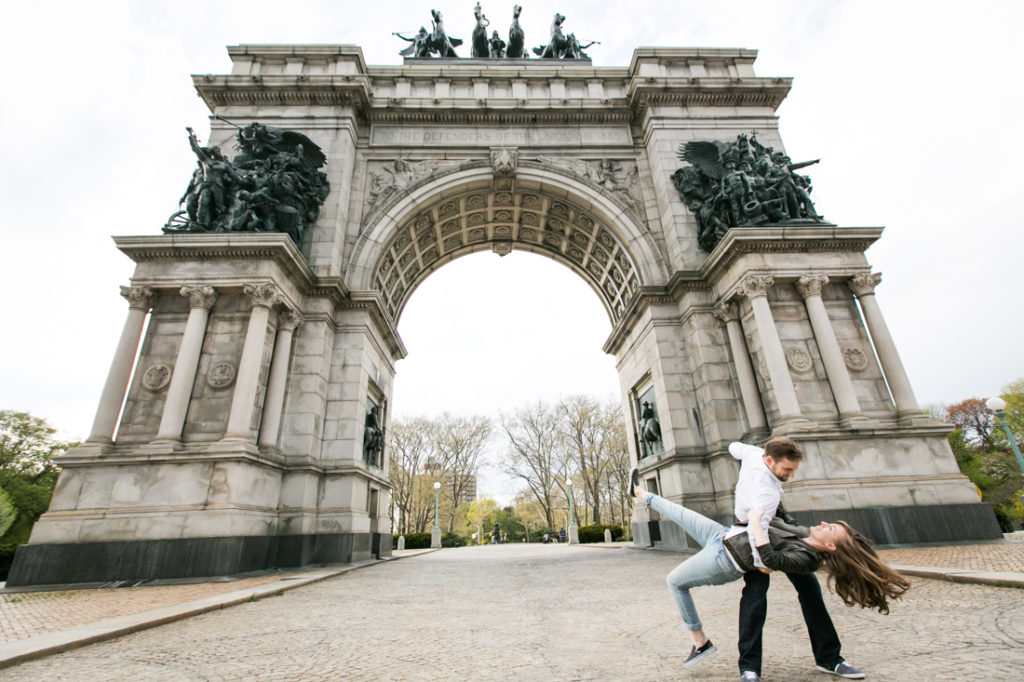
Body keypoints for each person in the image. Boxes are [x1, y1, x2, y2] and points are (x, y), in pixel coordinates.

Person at [627, 467, 908, 677]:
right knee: (758, 597)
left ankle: (823, 657)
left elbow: (769, 558)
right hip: (731, 536)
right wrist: (767, 477)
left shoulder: (807, 557)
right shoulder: (803, 530)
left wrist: (757, 527)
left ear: (831, 545)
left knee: (787, 592)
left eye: (831, 528)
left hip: (748, 552)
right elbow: (776, 508)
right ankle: (640, 493)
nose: (823, 523)